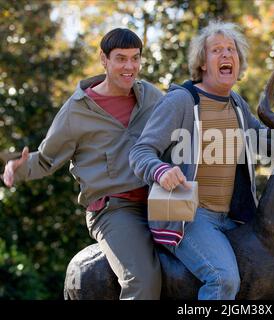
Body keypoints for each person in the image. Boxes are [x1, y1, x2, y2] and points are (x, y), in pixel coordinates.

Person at [129, 21, 274, 300]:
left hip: (233, 218)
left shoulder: (236, 104)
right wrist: (160, 171)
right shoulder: (181, 102)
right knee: (222, 280)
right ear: (203, 63)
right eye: (216, 50)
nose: (225, 55)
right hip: (189, 216)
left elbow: (268, 147)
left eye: (231, 50)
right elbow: (140, 152)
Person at [1, 28, 163, 300]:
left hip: (160, 202)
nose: (130, 67)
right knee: (143, 282)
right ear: (104, 59)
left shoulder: (151, 96)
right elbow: (45, 159)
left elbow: (181, 131)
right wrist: (17, 169)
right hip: (114, 209)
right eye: (121, 58)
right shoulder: (77, 110)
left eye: (135, 59)